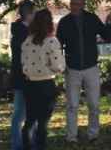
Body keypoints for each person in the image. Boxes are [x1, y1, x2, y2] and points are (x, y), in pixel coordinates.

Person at [55, 0, 111, 143]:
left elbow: (107, 36)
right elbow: (57, 46)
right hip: (72, 68)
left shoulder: (92, 18)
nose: (75, 7)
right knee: (72, 106)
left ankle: (93, 134)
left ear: (83, 5)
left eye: (78, 4)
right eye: (73, 4)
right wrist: (60, 65)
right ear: (70, 5)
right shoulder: (64, 22)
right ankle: (71, 137)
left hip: (91, 68)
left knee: (94, 105)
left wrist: (109, 23)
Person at [20, 8, 66, 150]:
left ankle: (27, 146)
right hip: (46, 84)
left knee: (29, 121)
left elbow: (23, 63)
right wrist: (52, 69)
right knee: (42, 123)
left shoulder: (27, 41)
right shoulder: (51, 41)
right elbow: (59, 66)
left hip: (30, 84)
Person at [10, 0, 37, 150]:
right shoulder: (20, 32)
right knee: (20, 113)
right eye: (33, 12)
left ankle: (30, 142)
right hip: (22, 77)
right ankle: (17, 145)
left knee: (32, 112)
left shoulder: (29, 30)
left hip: (34, 77)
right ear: (28, 14)